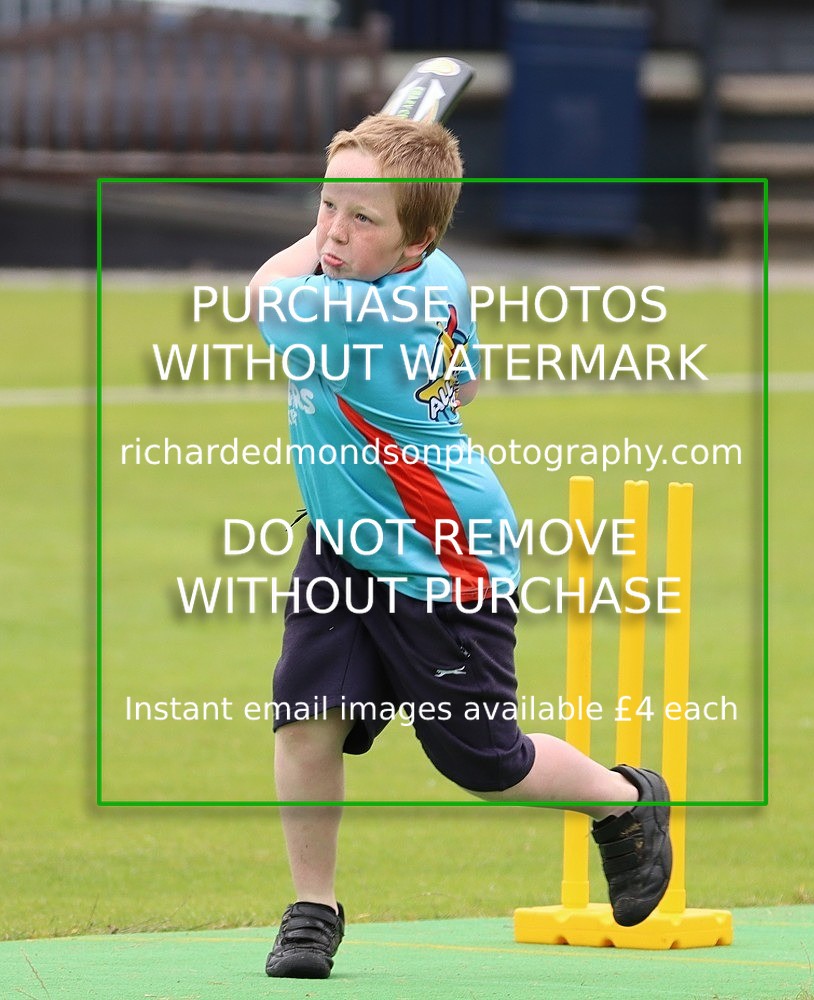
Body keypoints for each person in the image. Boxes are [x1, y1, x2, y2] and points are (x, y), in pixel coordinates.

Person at [249, 114, 671, 980]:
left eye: (362, 219)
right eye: (327, 206)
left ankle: (624, 801)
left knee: (484, 762)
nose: (334, 229)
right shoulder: (439, 271)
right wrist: (361, 210)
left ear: (417, 242)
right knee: (304, 719)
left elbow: (261, 293)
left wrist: (322, 230)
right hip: (342, 541)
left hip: (442, 562)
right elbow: (465, 384)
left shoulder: (355, 314)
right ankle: (311, 908)